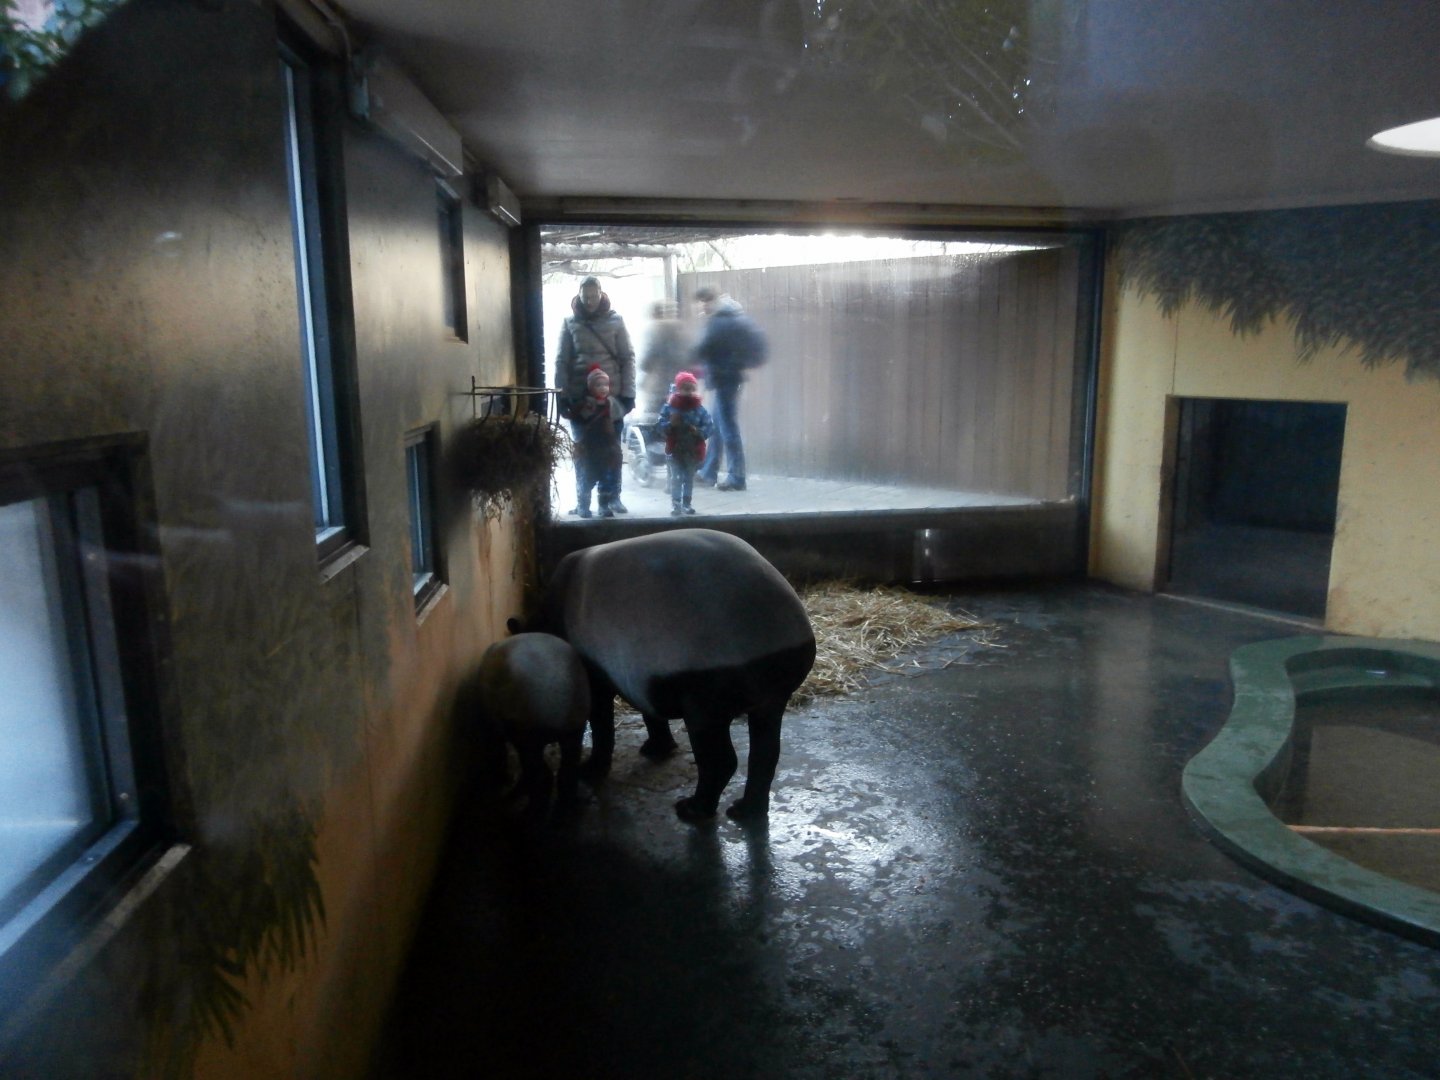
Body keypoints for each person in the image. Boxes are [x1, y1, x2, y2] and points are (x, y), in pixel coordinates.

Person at [555, 275, 636, 513]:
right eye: (585, 296)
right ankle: (583, 500)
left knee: (612, 450)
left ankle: (611, 498)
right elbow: (562, 361)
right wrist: (562, 395)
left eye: (594, 295)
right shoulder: (570, 323)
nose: (590, 301)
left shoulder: (616, 321)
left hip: (612, 401)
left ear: (601, 294)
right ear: (578, 295)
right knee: (583, 451)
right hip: (582, 402)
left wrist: (628, 394)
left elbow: (627, 358)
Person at [691, 285, 767, 492]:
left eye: (704, 301)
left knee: (727, 428)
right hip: (729, 378)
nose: (702, 306)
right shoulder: (729, 317)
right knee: (718, 426)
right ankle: (709, 472)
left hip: (725, 379)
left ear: (710, 301)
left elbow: (702, 348)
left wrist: (684, 357)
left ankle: (736, 477)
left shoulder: (719, 321)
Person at [656, 370, 713, 516]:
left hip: (692, 450)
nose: (688, 392)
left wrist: (698, 432)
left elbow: (709, 426)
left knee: (688, 478)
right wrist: (670, 424)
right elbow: (660, 426)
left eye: (691, 389)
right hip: (675, 449)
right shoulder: (670, 408)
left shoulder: (699, 410)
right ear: (678, 389)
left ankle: (686, 503)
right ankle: (676, 504)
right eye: (685, 388)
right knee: (676, 477)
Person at [569, 366, 623, 518]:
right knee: (587, 478)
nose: (603, 388)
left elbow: (617, 422)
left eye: (606, 385)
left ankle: (604, 506)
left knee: (606, 478)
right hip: (590, 447)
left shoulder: (611, 404)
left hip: (606, 447)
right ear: (590, 387)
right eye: (598, 385)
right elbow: (580, 420)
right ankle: (583, 506)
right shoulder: (587, 404)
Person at [636, 299, 688, 415]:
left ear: (653, 314)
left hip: (658, 387)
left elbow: (645, 363)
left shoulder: (653, 329)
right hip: (679, 385)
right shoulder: (679, 329)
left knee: (654, 421)